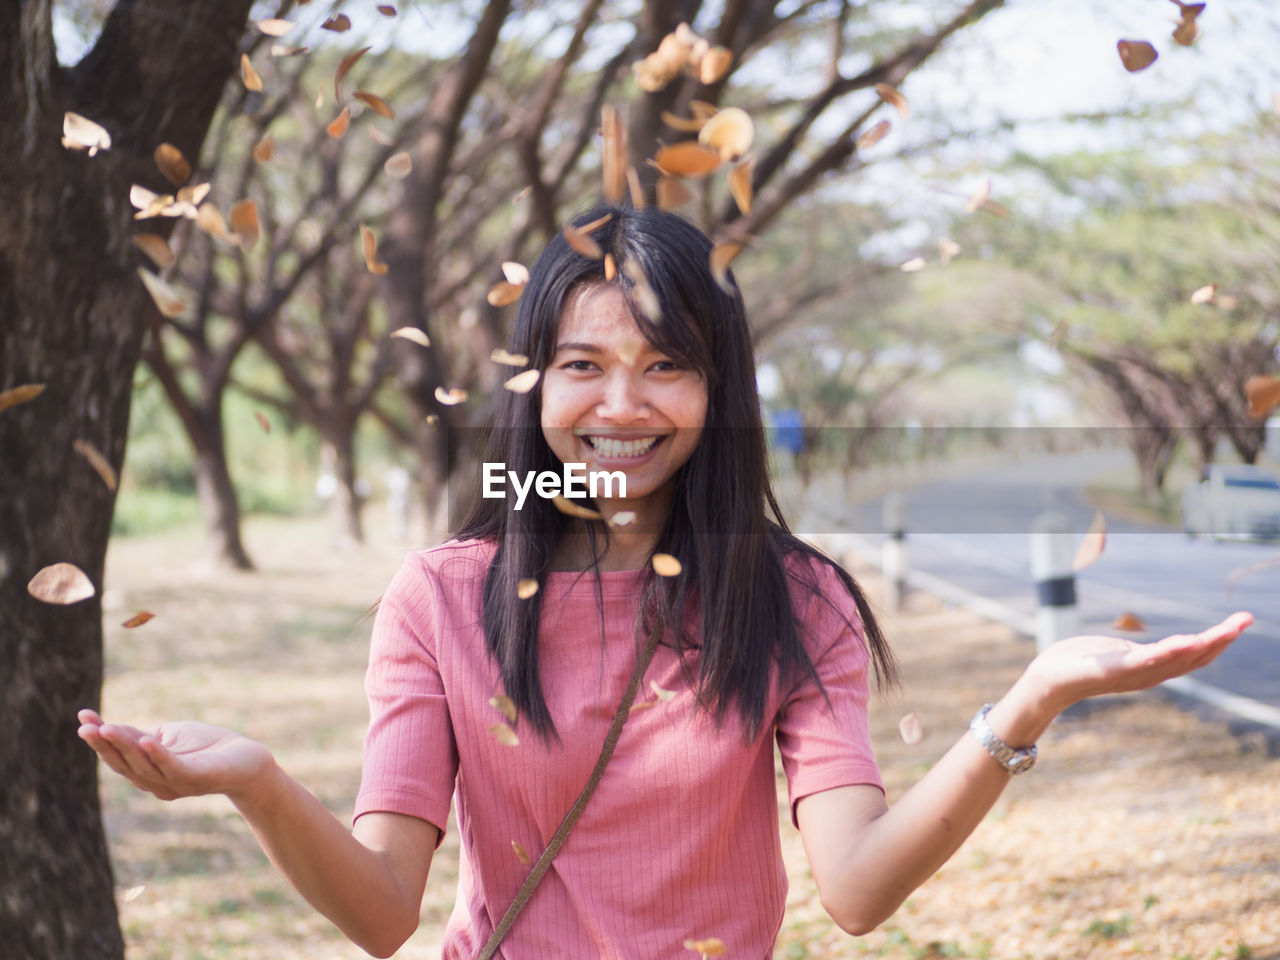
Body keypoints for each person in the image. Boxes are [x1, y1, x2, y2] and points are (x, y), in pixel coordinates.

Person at [78, 204, 1254, 960]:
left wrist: (1027, 702)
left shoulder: (792, 598)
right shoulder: (442, 596)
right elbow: (387, 911)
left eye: (666, 369)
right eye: (581, 366)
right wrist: (262, 783)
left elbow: (851, 889)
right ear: (531, 391)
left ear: (717, 392)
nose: (621, 407)